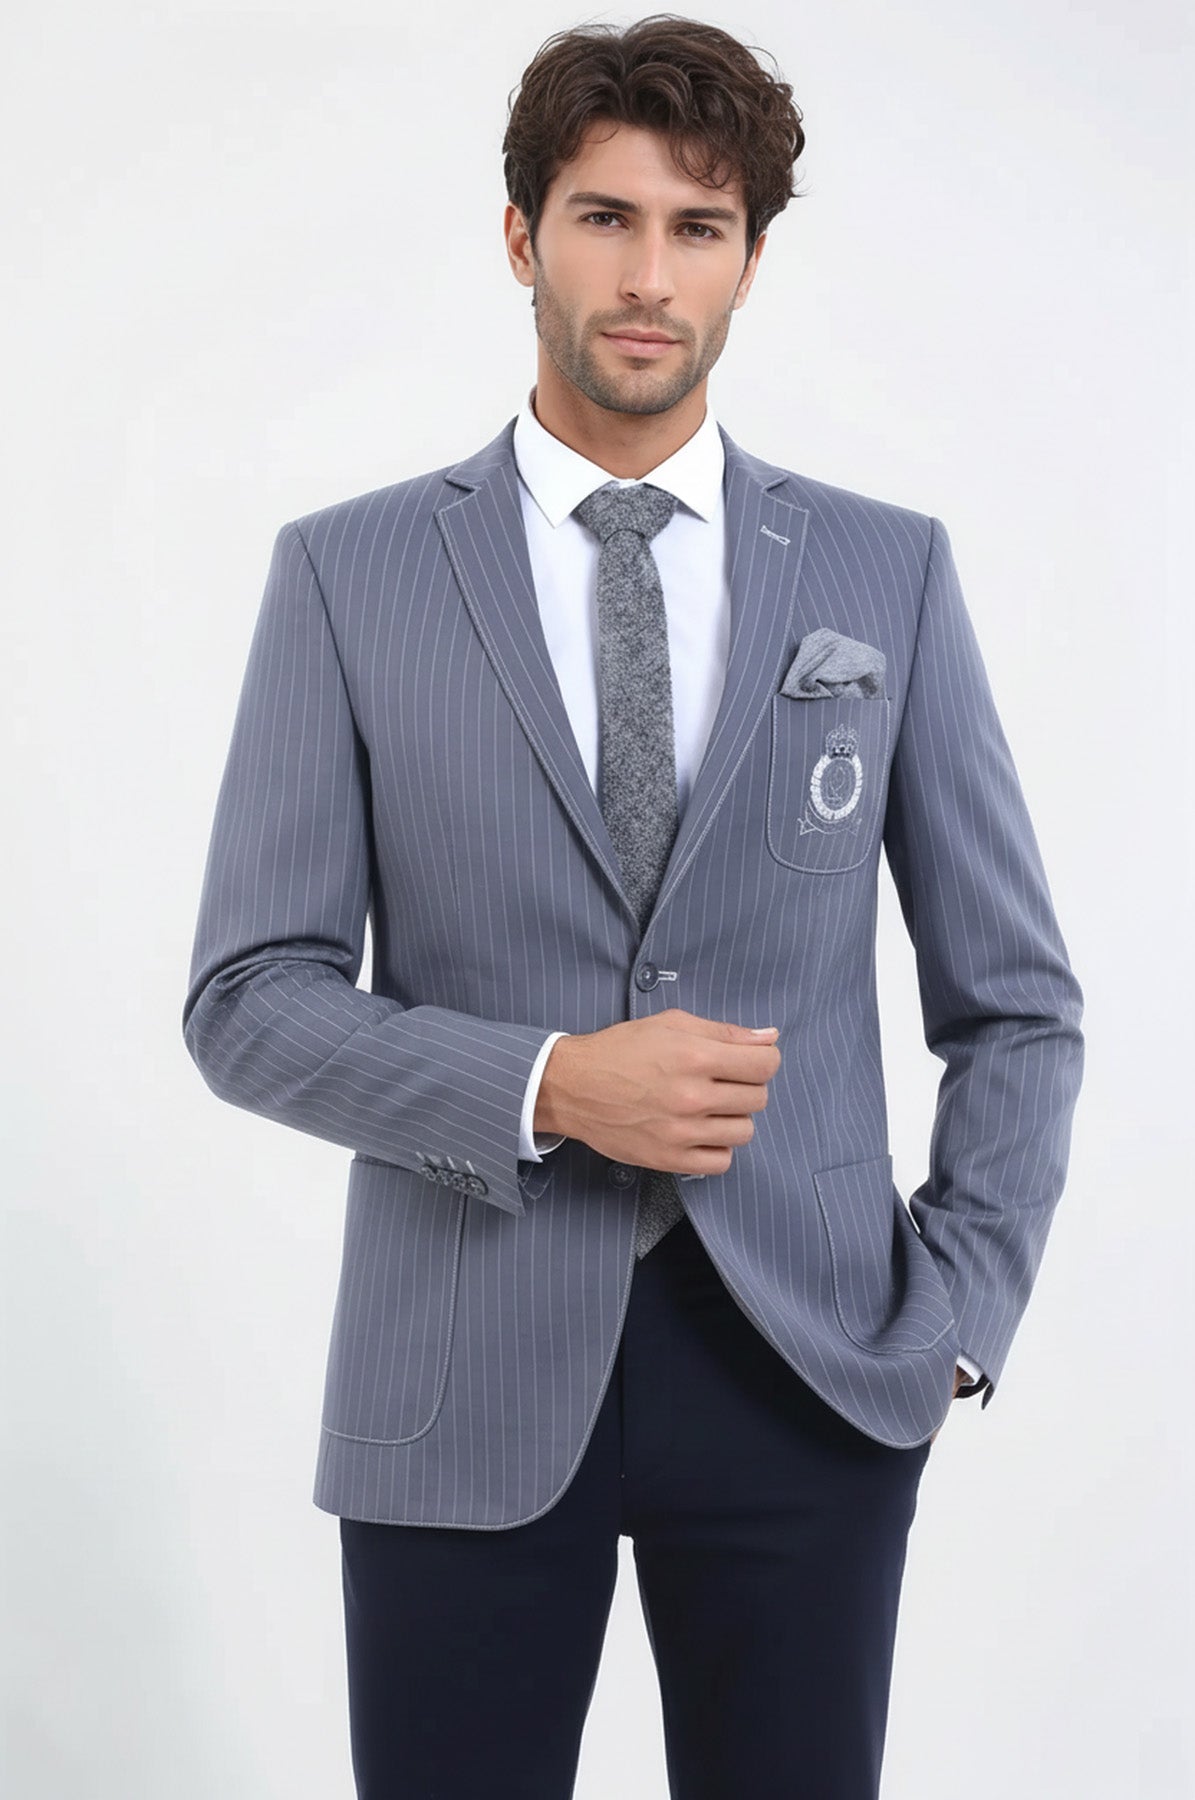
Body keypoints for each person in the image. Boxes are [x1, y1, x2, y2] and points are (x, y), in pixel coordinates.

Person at [182, 16, 1084, 1798]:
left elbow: (1017, 1004)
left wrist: (956, 1322)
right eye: (606, 218)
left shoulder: (886, 570)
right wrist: (547, 1086)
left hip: (813, 1372)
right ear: (524, 237)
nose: (651, 276)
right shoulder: (350, 574)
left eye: (699, 226)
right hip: (459, 1374)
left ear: (750, 259)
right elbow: (249, 996)